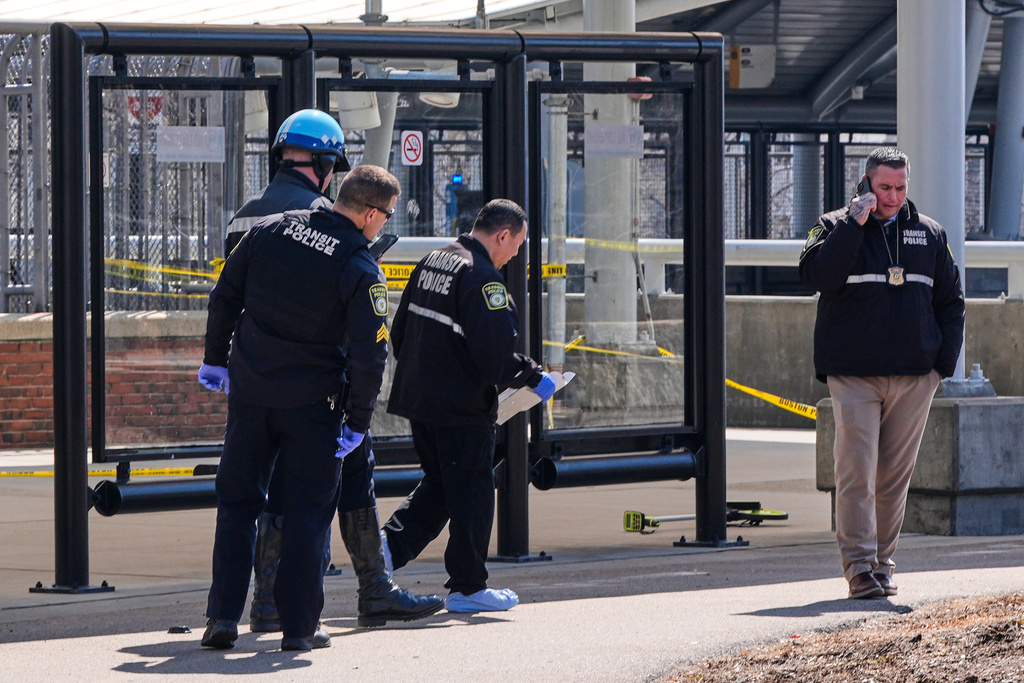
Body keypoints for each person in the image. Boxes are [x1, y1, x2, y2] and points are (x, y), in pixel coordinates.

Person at [225, 110, 442, 634]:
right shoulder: (322, 215)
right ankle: (368, 589)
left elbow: (238, 292)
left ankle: (269, 599)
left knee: (273, 489)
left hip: (257, 377)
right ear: (325, 163)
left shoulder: (246, 215)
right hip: (326, 380)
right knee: (344, 484)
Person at [198, 164, 401, 651]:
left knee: (237, 506)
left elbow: (225, 296)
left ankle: (222, 619)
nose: (384, 225)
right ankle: (298, 629)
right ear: (371, 214)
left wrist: (215, 360)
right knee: (307, 515)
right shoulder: (359, 265)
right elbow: (370, 354)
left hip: (250, 397)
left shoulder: (272, 229)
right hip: (313, 406)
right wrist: (356, 422)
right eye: (387, 217)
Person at [798, 147, 965, 600]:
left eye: (900, 187)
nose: (892, 196)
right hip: (853, 374)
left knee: (894, 475)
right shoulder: (833, 225)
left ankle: (882, 562)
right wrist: (854, 225)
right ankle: (857, 567)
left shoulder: (929, 234)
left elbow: (952, 303)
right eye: (884, 187)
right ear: (867, 183)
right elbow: (817, 275)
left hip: (914, 377)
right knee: (856, 470)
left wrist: (939, 368)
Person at [381, 198, 557, 613]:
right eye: (518, 244)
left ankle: (384, 550)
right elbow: (495, 356)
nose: (517, 254)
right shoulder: (483, 279)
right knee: (474, 491)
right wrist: (533, 375)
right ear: (502, 235)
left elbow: (400, 332)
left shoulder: (434, 260)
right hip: (459, 408)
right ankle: (468, 587)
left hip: (419, 400)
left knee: (443, 485)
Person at [223, 108, 346, 256]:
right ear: (325, 163)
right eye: (334, 165)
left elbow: (231, 275)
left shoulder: (240, 217)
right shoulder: (323, 214)